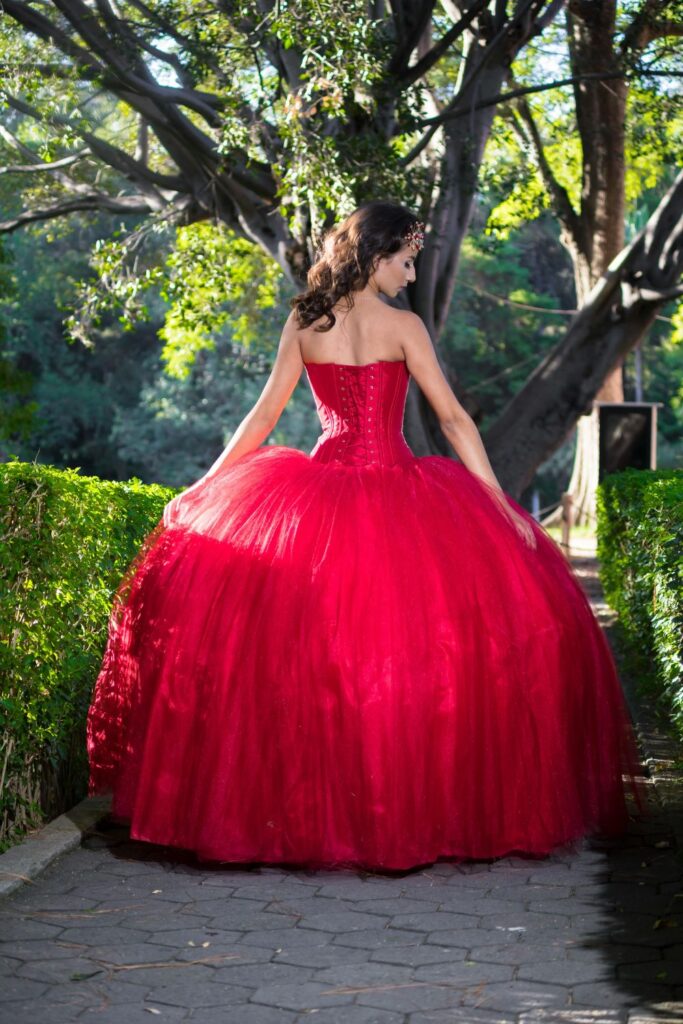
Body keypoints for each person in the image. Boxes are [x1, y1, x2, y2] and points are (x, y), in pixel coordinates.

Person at [87, 200, 646, 872]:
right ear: (374, 255)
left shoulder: (305, 319)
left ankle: (305, 814)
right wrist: (497, 506)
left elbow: (262, 417)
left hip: (318, 498)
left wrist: (201, 485)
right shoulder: (402, 326)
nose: (410, 273)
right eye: (404, 259)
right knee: (405, 654)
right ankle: (388, 810)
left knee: (310, 657)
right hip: (393, 489)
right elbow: (454, 419)